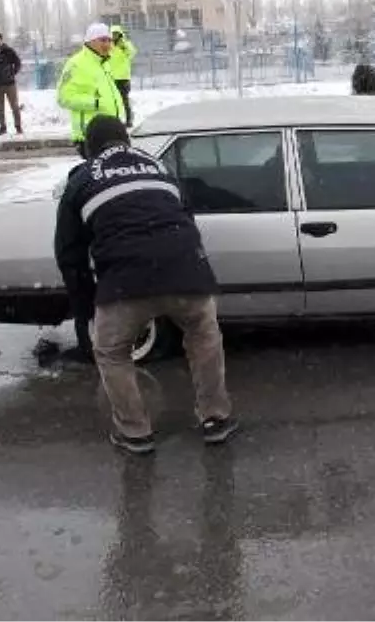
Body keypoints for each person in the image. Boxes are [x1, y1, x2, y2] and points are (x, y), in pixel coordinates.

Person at [55, 115, 238, 454]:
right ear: (125, 140)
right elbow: (186, 217)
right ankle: (216, 418)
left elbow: (70, 253)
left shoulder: (83, 178)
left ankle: (135, 432)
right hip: (186, 272)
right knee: (204, 338)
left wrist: (85, 311)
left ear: (89, 148)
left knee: (111, 352)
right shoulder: (158, 166)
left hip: (125, 282)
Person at [57, 23, 126, 157]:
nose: (107, 44)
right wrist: (95, 103)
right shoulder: (75, 64)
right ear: (90, 41)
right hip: (91, 135)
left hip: (113, 132)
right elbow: (63, 97)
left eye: (109, 40)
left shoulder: (104, 63)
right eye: (102, 40)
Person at [107, 24, 138, 126]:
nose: (114, 36)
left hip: (124, 78)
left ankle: (129, 120)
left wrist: (124, 45)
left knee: (124, 100)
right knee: (113, 101)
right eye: (113, 34)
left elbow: (132, 53)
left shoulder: (125, 45)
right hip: (112, 78)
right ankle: (115, 121)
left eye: (116, 33)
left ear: (120, 34)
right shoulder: (109, 46)